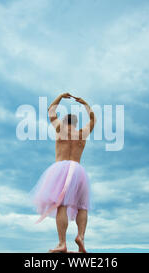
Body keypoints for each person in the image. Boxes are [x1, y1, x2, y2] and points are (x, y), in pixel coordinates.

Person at [30, 92, 96, 253]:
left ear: (64, 121)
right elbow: (93, 119)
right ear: (76, 122)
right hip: (79, 170)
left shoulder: (60, 129)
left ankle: (62, 243)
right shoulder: (82, 133)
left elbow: (51, 110)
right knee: (82, 207)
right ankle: (81, 237)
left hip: (61, 169)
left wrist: (60, 96)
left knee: (62, 206)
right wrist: (85, 103)